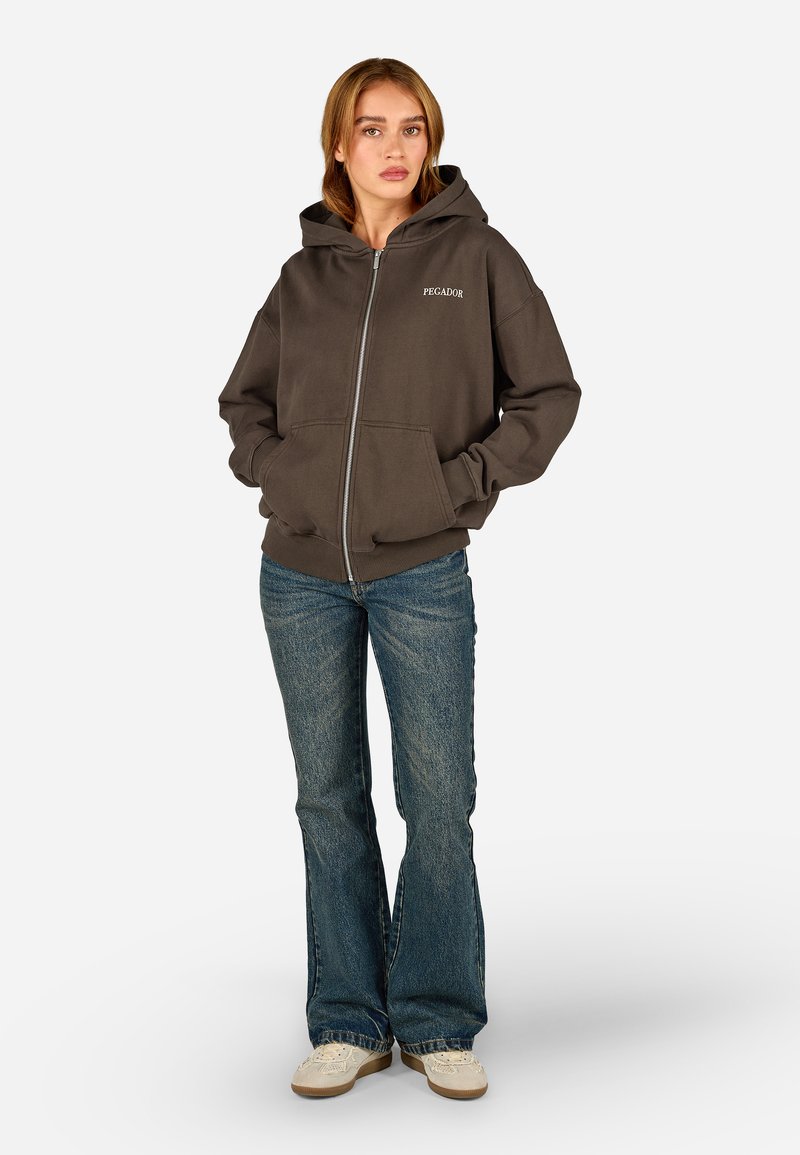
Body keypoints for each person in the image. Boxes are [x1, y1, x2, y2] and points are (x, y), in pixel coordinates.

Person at [218, 57, 581, 1100]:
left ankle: (434, 1017)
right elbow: (243, 403)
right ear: (339, 145)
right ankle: (347, 1018)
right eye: (371, 128)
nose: (393, 146)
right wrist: (280, 473)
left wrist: (450, 486)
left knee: (437, 797)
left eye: (411, 127)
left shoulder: (478, 257)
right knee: (327, 799)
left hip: (422, 569)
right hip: (298, 574)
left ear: (431, 141)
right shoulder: (304, 276)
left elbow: (547, 395)